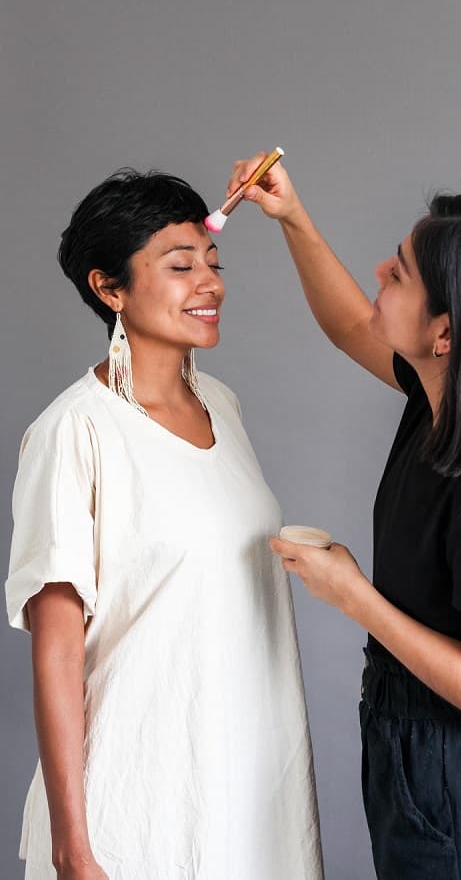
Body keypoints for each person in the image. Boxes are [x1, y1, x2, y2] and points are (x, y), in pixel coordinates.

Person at [228, 155, 461, 879]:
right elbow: (351, 324)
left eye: (399, 273)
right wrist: (291, 214)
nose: (379, 275)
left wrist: (353, 596)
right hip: (430, 764)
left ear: (445, 333)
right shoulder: (442, 400)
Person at [5, 169, 324, 880]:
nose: (208, 283)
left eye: (212, 262)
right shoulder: (73, 432)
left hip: (250, 794)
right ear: (109, 288)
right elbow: (56, 653)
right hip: (135, 810)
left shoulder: (224, 405)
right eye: (179, 266)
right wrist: (73, 851)